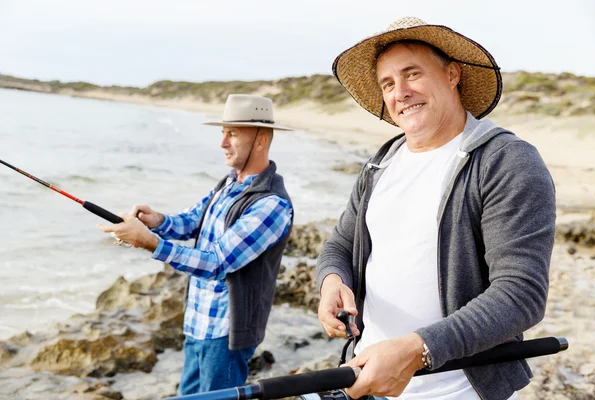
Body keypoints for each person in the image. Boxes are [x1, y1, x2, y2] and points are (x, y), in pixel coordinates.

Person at [316, 17, 555, 400]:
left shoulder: (506, 161)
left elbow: (520, 293)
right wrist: (332, 281)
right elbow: (340, 246)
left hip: (457, 389)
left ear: (452, 74)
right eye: (388, 84)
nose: (401, 92)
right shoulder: (381, 164)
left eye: (413, 74)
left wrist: (415, 349)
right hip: (368, 377)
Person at [98, 94, 294, 395]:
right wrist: (158, 220)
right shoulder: (229, 183)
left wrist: (149, 242)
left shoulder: (271, 205)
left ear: (260, 140)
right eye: (222, 132)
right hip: (197, 321)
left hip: (226, 334)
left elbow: (217, 262)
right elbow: (193, 220)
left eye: (232, 134)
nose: (222, 143)